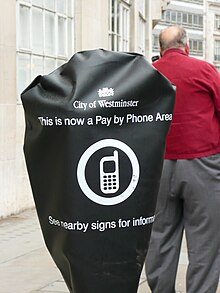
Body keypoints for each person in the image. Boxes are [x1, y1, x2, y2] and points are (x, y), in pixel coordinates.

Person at [145, 25, 220, 293]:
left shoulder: (148, 75)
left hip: (157, 169)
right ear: (187, 46)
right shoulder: (205, 71)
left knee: (160, 238)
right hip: (203, 164)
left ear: (161, 50)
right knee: (205, 243)